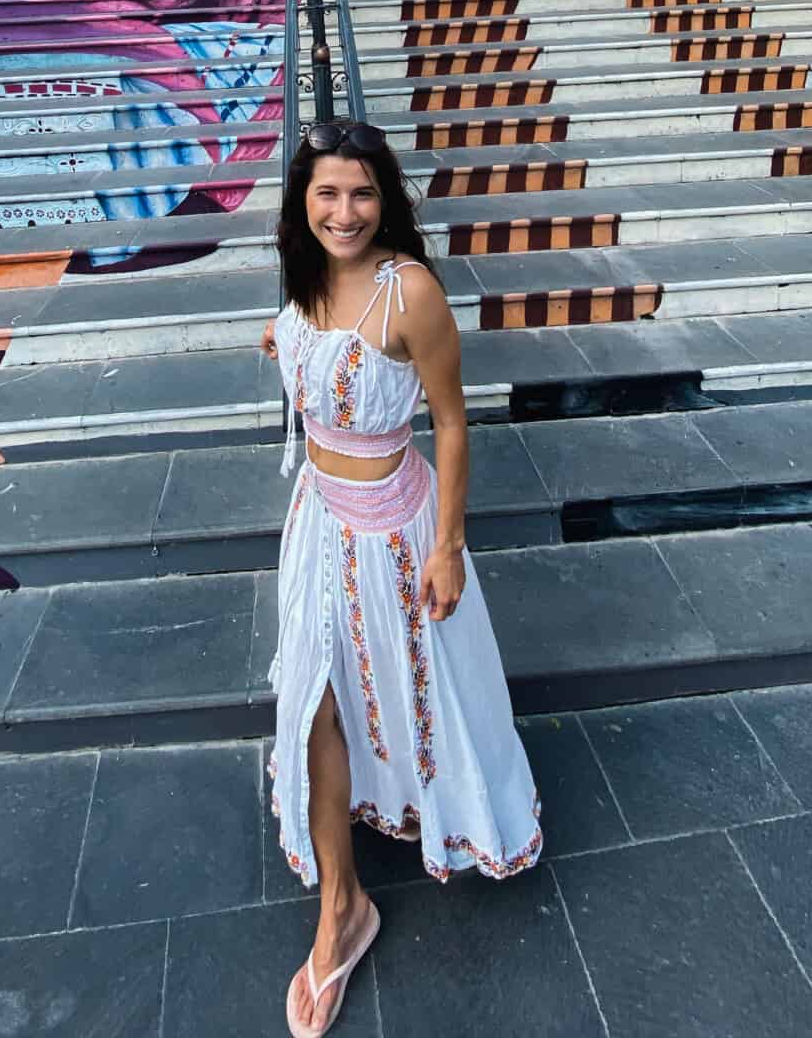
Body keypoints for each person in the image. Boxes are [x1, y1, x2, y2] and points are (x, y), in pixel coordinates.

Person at [261, 121, 541, 1036]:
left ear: (387, 201)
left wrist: (448, 545)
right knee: (316, 706)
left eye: (363, 194)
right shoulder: (302, 280)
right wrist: (294, 352)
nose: (345, 213)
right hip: (316, 529)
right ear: (303, 200)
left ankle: (414, 823)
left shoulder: (409, 290)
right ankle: (343, 907)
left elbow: (453, 423)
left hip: (395, 530)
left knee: (415, 699)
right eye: (328, 194)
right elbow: (317, 359)